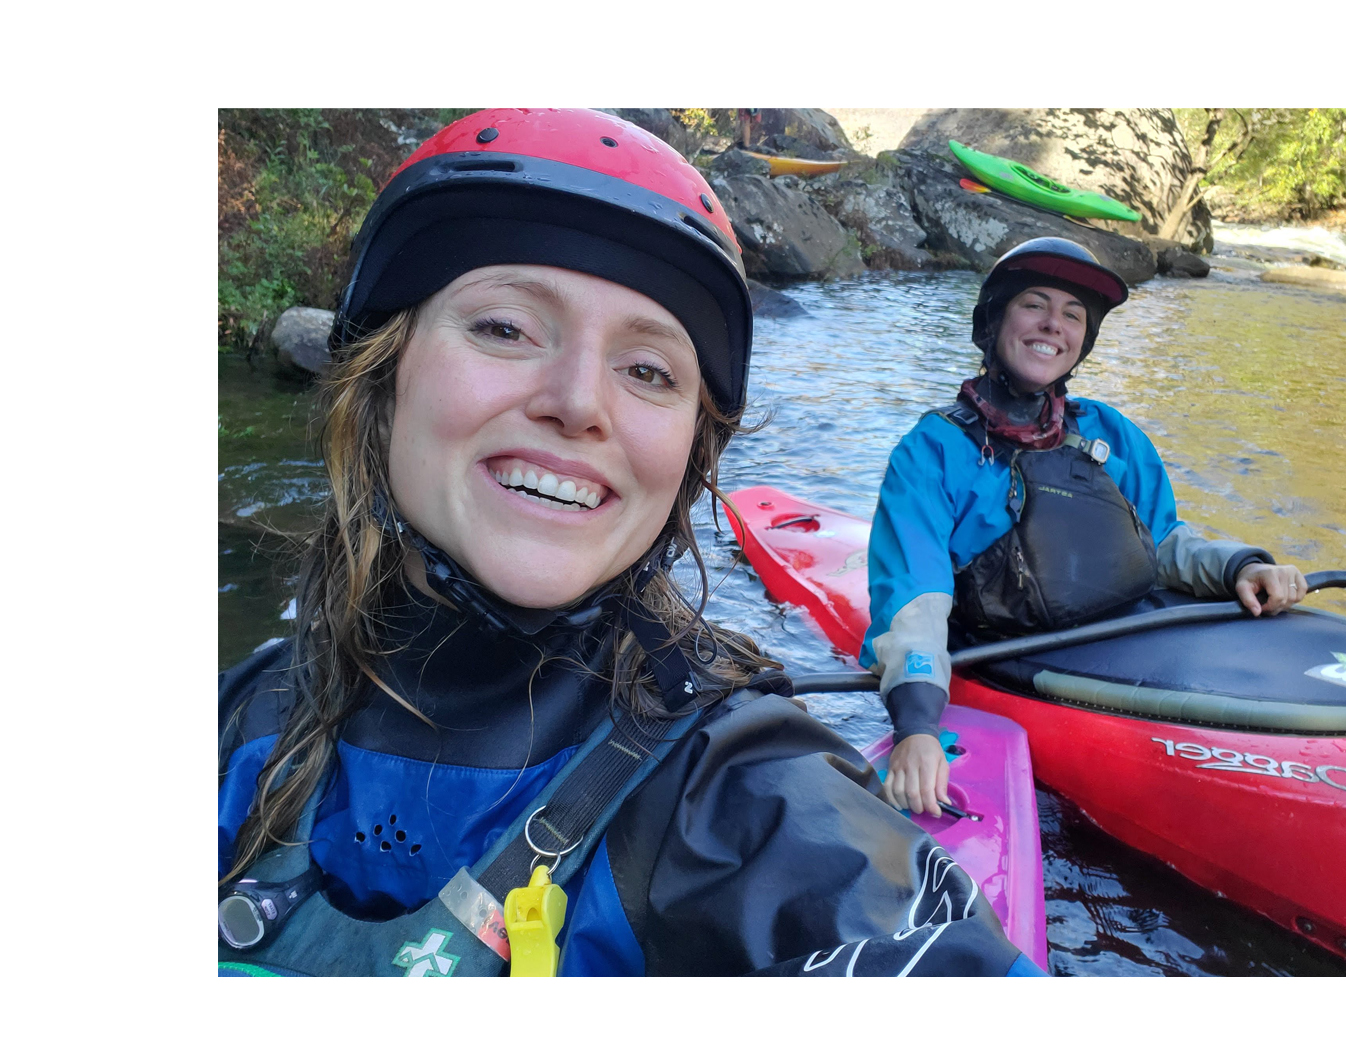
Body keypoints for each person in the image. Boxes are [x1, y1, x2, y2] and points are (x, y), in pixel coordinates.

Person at [218, 108, 1042, 977]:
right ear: (381, 376)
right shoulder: (246, 716)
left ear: (689, 451)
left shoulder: (736, 791)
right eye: (504, 326)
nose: (579, 402)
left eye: (648, 369)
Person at [861, 238, 1306, 818]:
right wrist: (917, 723)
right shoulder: (932, 451)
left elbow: (1163, 540)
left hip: (1124, 643)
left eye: (1073, 315)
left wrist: (1241, 567)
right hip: (1008, 655)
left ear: (1084, 341)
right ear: (995, 319)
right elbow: (916, 602)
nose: (1053, 325)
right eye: (1034, 305)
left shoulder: (1110, 431)